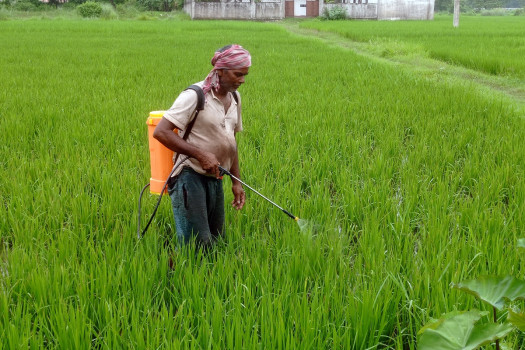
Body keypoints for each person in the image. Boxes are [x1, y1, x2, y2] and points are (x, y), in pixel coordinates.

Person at [153, 44, 250, 249]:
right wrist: (200, 154)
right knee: (196, 245)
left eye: (245, 75)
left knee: (215, 240)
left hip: (215, 176)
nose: (242, 80)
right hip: (189, 176)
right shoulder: (195, 96)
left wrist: (236, 181)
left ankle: (206, 279)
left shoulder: (234, 98)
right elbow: (161, 131)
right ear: (221, 70)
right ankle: (180, 277)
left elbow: (231, 142)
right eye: (238, 74)